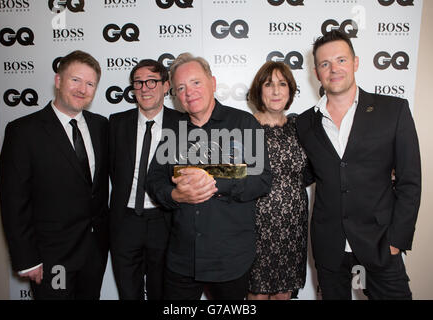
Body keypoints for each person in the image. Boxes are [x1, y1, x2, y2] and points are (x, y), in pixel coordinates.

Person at [296, 30, 421, 300]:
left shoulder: (394, 110)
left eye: (341, 60)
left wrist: (397, 241)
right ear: (316, 72)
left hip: (380, 243)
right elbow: (303, 174)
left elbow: (410, 181)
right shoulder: (304, 123)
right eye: (325, 64)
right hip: (329, 246)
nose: (334, 69)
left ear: (355, 63)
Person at [146, 53, 272, 300]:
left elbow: (262, 179)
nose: (188, 92)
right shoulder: (173, 130)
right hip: (182, 259)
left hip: (230, 259)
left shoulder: (244, 123)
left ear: (212, 83)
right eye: (180, 87)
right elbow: (154, 181)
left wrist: (214, 183)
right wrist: (175, 194)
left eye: (195, 83)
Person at [0, 50, 109, 300]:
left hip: (94, 253)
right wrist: (27, 259)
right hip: (53, 259)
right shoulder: (23, 132)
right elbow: (14, 201)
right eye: (75, 80)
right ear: (58, 81)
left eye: (90, 83)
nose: (83, 89)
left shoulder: (101, 126)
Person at [109, 59, 182, 300]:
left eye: (152, 81)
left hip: (165, 221)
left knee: (162, 293)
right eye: (138, 83)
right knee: (128, 294)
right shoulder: (116, 124)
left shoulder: (183, 125)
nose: (145, 88)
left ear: (165, 86)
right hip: (125, 221)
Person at [247, 61, 308, 300]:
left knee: (284, 294)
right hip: (256, 227)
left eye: (282, 84)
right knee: (258, 295)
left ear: (290, 90)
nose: (276, 91)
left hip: (294, 226)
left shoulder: (300, 126)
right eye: (268, 84)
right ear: (258, 90)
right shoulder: (245, 127)